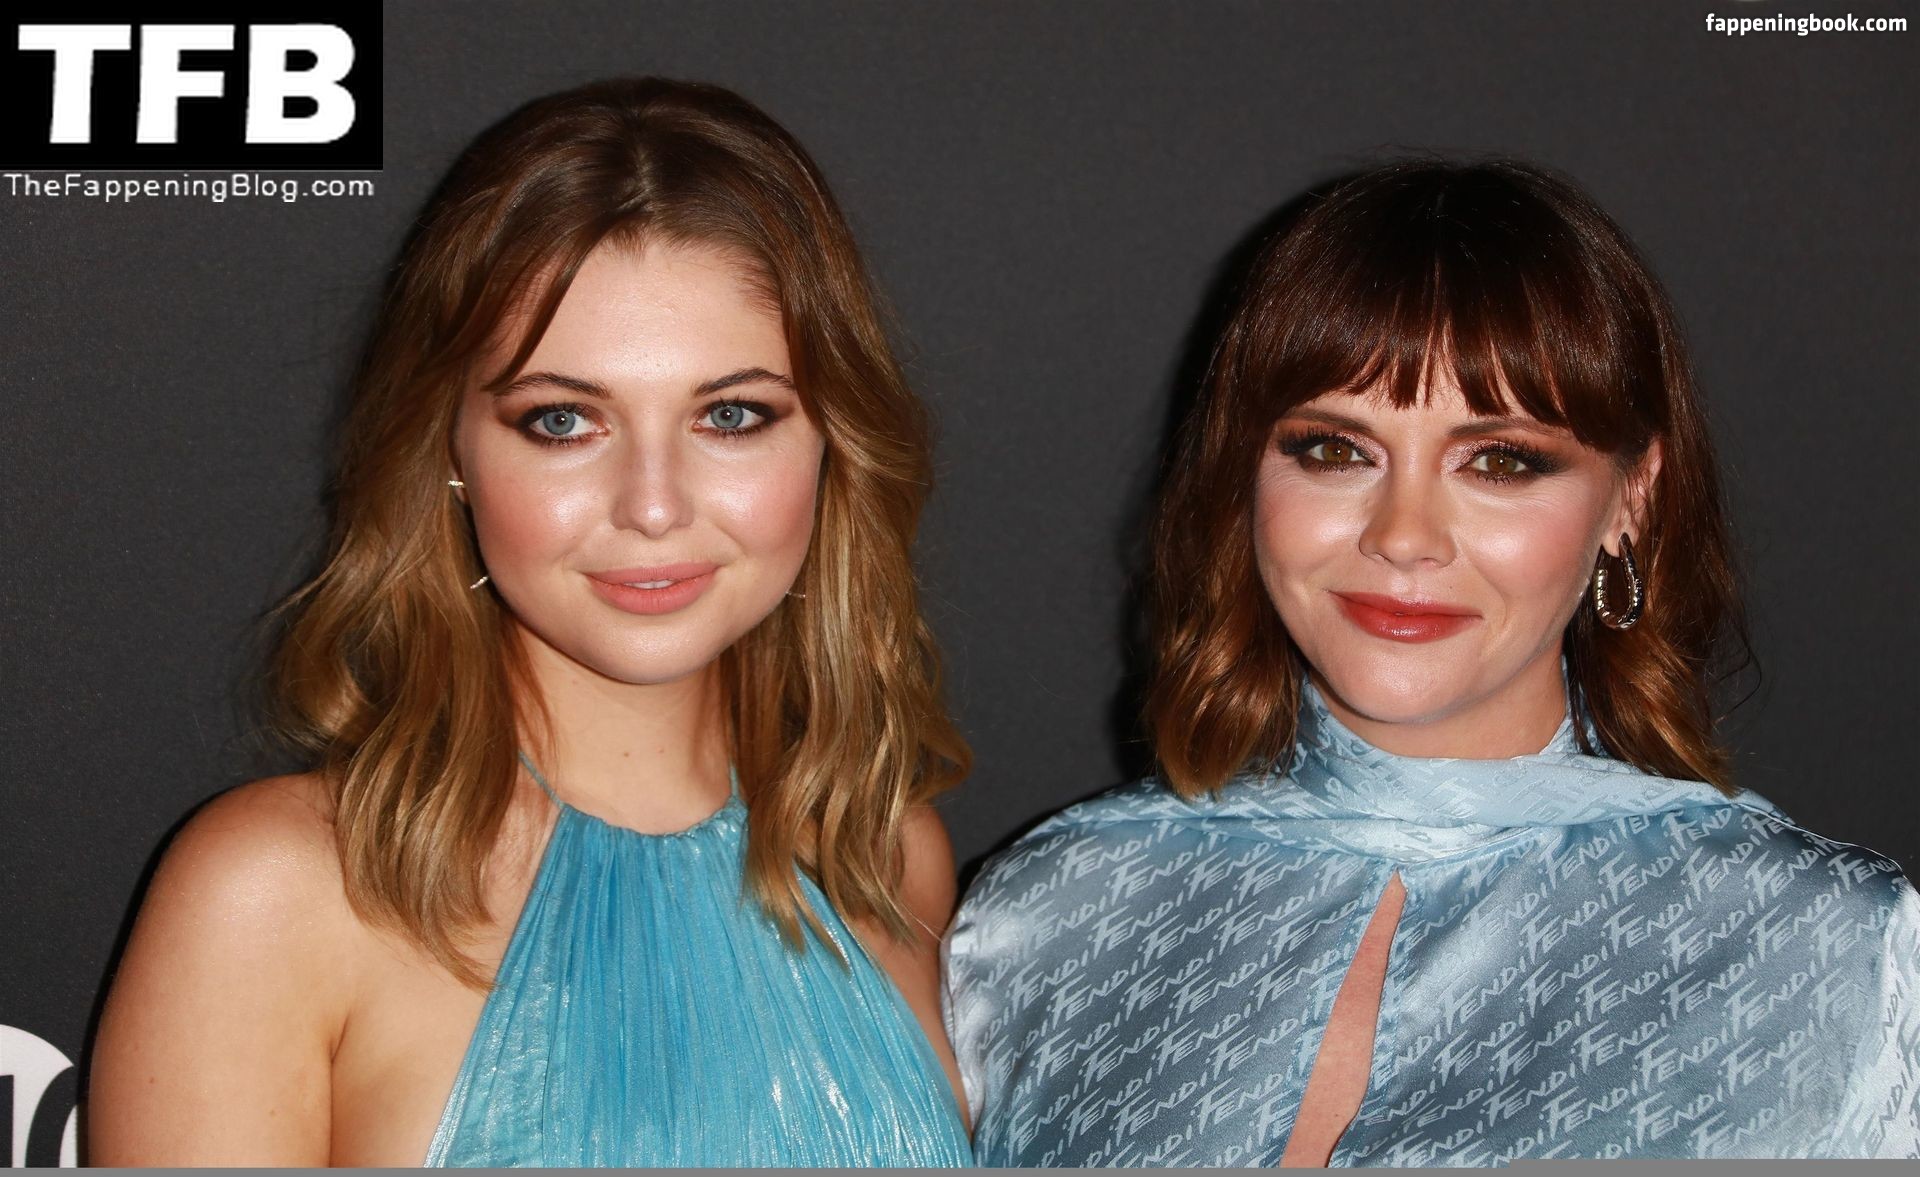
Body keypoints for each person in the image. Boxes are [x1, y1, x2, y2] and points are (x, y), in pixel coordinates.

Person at [945, 160, 1920, 1164]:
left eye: (1498, 460)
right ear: (1247, 474)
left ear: (1631, 499)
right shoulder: (1046, 914)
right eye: (1336, 450)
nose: (1403, 537)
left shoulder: (1832, 950)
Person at [90, 78, 973, 1166]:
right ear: (449, 451)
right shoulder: (281, 893)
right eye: (563, 421)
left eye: (732, 415)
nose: (653, 504)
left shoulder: (885, 859)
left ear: (833, 441)